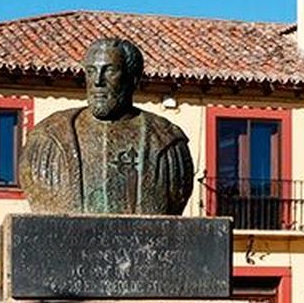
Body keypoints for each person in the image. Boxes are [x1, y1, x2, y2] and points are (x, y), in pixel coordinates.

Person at [20, 37, 193, 215]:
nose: (97, 81)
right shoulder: (49, 138)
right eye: (91, 71)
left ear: (132, 79)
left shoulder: (167, 142)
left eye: (109, 71)